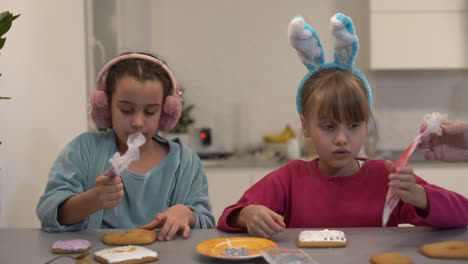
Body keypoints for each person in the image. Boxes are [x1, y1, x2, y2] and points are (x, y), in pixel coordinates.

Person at [217, 13, 468, 238]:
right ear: (305, 126)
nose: (341, 138)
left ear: (366, 126)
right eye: (328, 127)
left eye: (353, 125)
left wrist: (420, 197)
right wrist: (249, 214)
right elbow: (229, 215)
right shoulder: (289, 179)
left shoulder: (386, 177)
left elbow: (463, 213)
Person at [37, 53, 215, 240]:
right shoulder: (84, 150)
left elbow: (206, 222)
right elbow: (49, 213)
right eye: (126, 110)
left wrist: (187, 213)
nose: (138, 122)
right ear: (105, 107)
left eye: (150, 112)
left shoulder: (185, 162)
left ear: (165, 113)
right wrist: (93, 200)